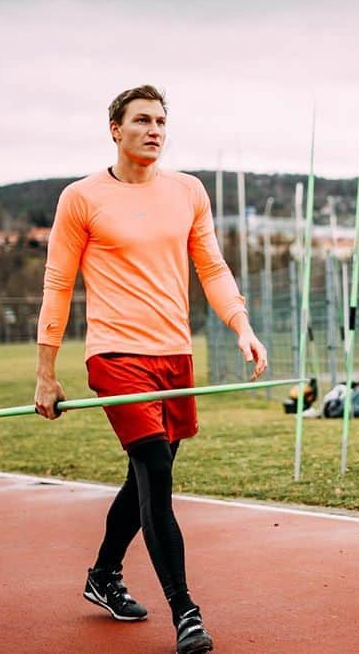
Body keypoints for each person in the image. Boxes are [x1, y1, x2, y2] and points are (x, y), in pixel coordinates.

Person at [33, 85, 267, 654]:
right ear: (115, 129)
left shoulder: (187, 191)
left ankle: (103, 574)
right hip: (115, 356)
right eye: (142, 120)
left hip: (174, 355)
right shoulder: (81, 198)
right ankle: (186, 612)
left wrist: (242, 325)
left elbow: (211, 267)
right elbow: (58, 283)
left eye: (162, 120)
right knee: (156, 472)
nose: (155, 129)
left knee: (145, 476)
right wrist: (47, 370)